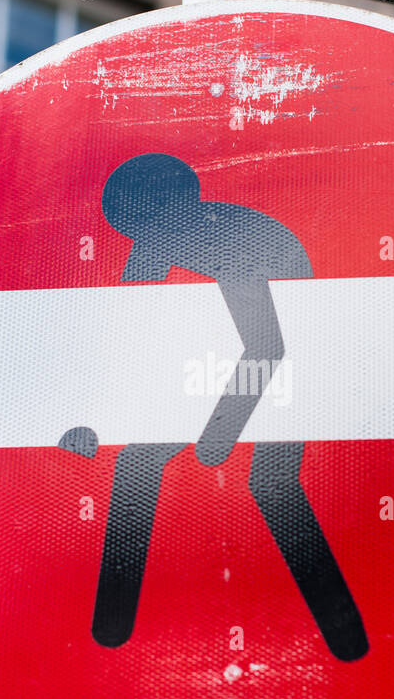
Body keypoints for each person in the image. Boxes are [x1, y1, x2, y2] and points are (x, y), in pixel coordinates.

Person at [63, 153, 368, 662]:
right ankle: (108, 638)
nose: (139, 242)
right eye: (131, 230)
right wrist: (90, 418)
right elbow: (129, 338)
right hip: (218, 359)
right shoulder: (156, 242)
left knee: (272, 483)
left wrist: (219, 434)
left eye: (143, 226)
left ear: (173, 211)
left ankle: (348, 639)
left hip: (298, 360)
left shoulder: (236, 240)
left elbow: (271, 347)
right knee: (137, 464)